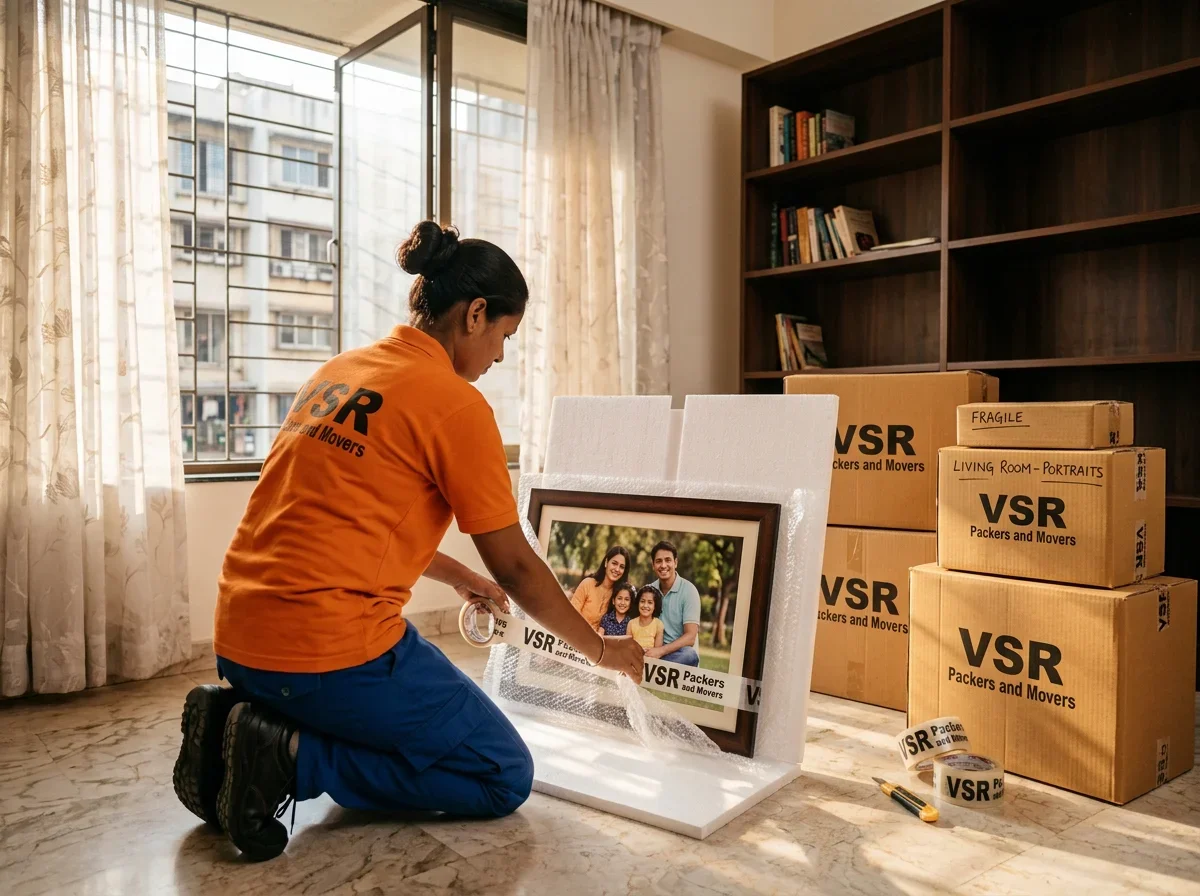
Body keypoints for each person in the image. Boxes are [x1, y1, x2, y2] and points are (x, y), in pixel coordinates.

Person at [171, 221, 645, 863]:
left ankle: (236, 728)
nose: (500, 357)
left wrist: (458, 578)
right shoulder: (455, 405)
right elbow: (517, 568)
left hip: (242, 643)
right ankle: (289, 757)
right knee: (501, 773)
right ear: (475, 314)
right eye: (504, 336)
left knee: (410, 710)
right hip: (320, 656)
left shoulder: (342, 371)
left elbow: (345, 522)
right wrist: (599, 649)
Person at [642, 541, 701, 667]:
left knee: (690, 655)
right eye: (658, 561)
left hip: (677, 654)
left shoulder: (689, 591)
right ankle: (650, 668)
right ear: (653, 565)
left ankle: (649, 669)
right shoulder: (648, 590)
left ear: (675, 563)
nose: (663, 565)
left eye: (668, 560)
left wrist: (661, 651)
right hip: (652, 651)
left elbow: (690, 637)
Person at [569, 545, 629, 628]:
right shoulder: (588, 584)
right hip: (575, 634)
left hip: (598, 640)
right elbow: (571, 615)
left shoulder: (619, 595)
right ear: (606, 563)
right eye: (614, 563)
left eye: (621, 567)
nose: (617, 569)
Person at [627, 585, 664, 651]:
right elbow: (628, 647)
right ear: (638, 603)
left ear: (655, 606)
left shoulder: (658, 624)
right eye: (642, 601)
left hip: (651, 660)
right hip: (633, 659)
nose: (645, 605)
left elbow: (657, 651)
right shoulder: (631, 623)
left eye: (650, 602)